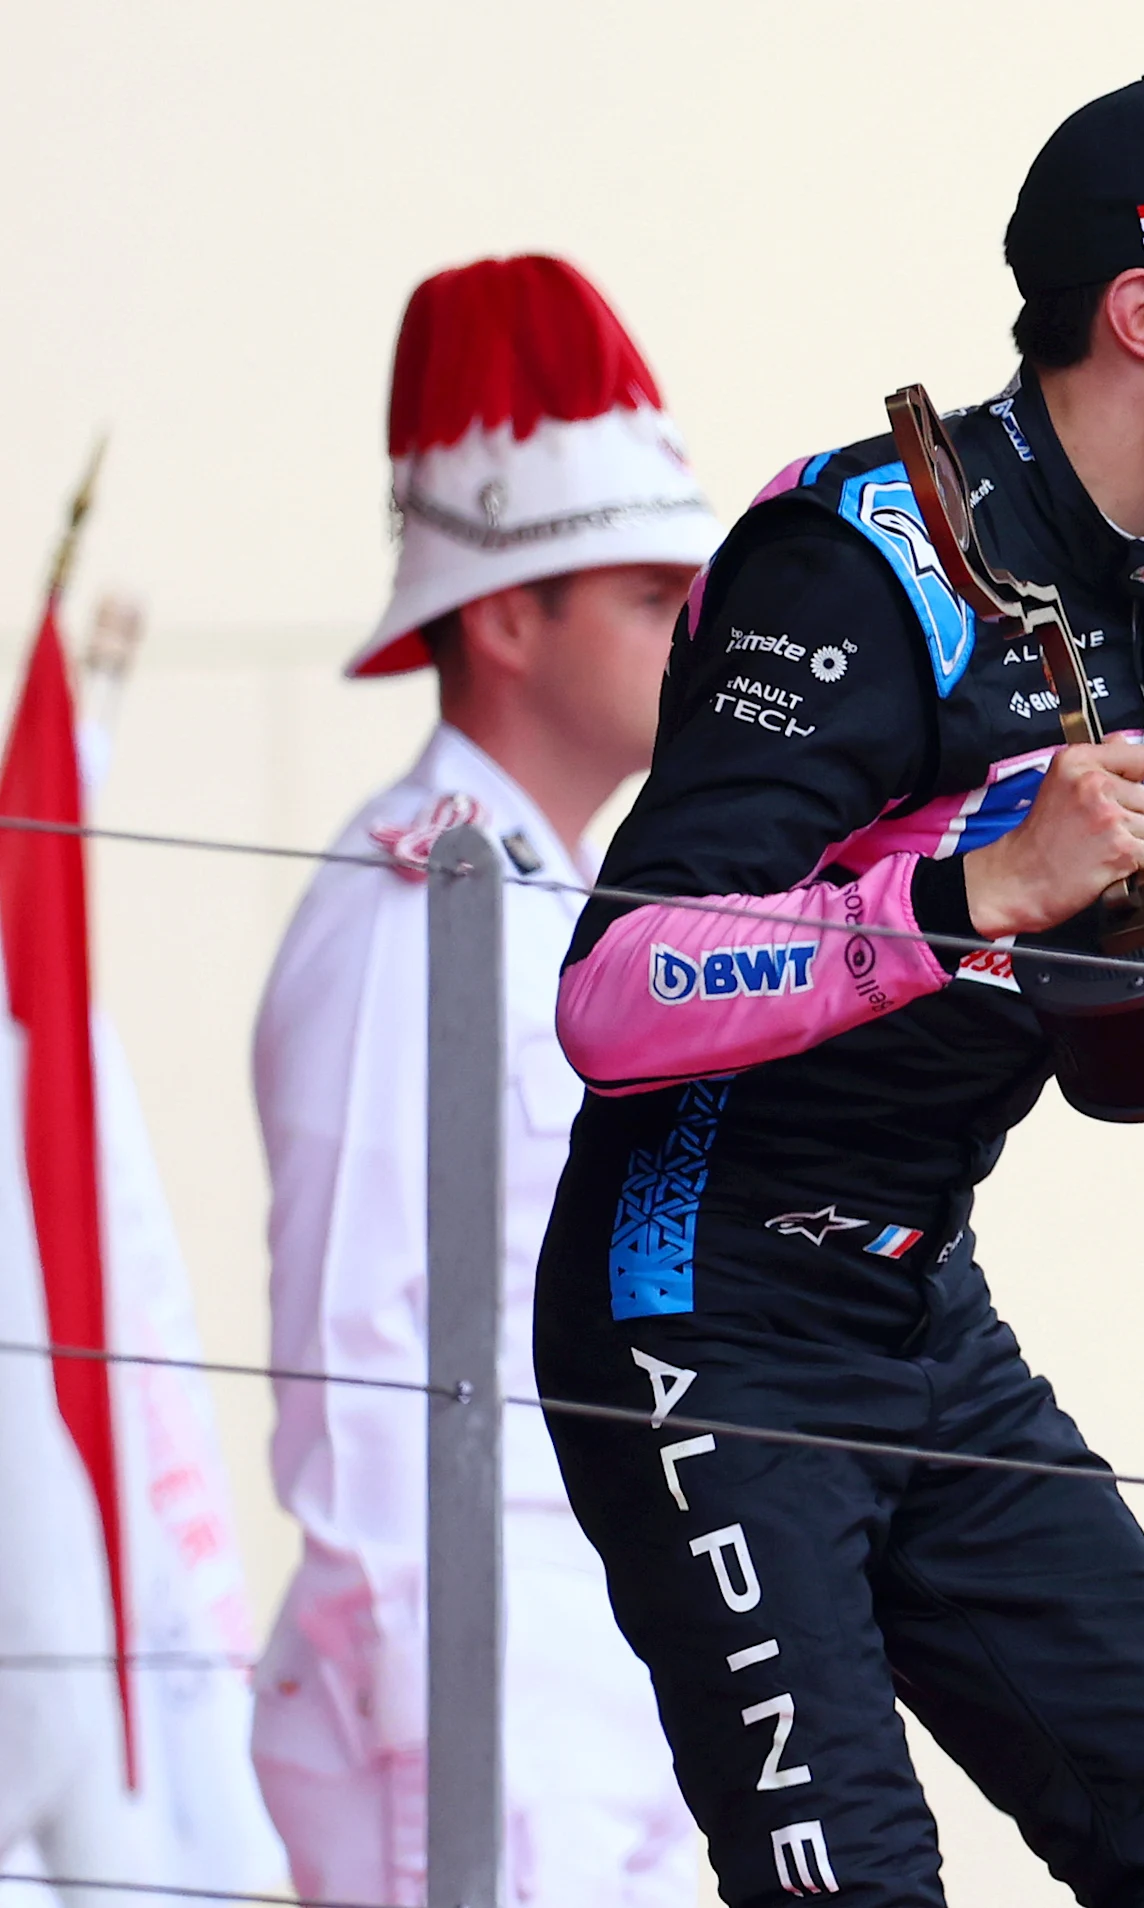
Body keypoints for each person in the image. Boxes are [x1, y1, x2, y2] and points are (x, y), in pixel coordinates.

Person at [529, 77, 1144, 1907]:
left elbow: (1046, 936)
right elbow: (613, 995)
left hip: (919, 1304)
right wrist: (962, 898)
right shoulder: (858, 562)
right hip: (698, 1304)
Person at [250, 255, 713, 1904]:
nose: (699, 638)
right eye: (656, 601)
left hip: (611, 1660)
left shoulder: (556, 901)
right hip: (482, 1695)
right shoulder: (405, 914)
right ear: (507, 614)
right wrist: (442, 1734)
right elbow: (352, 1350)